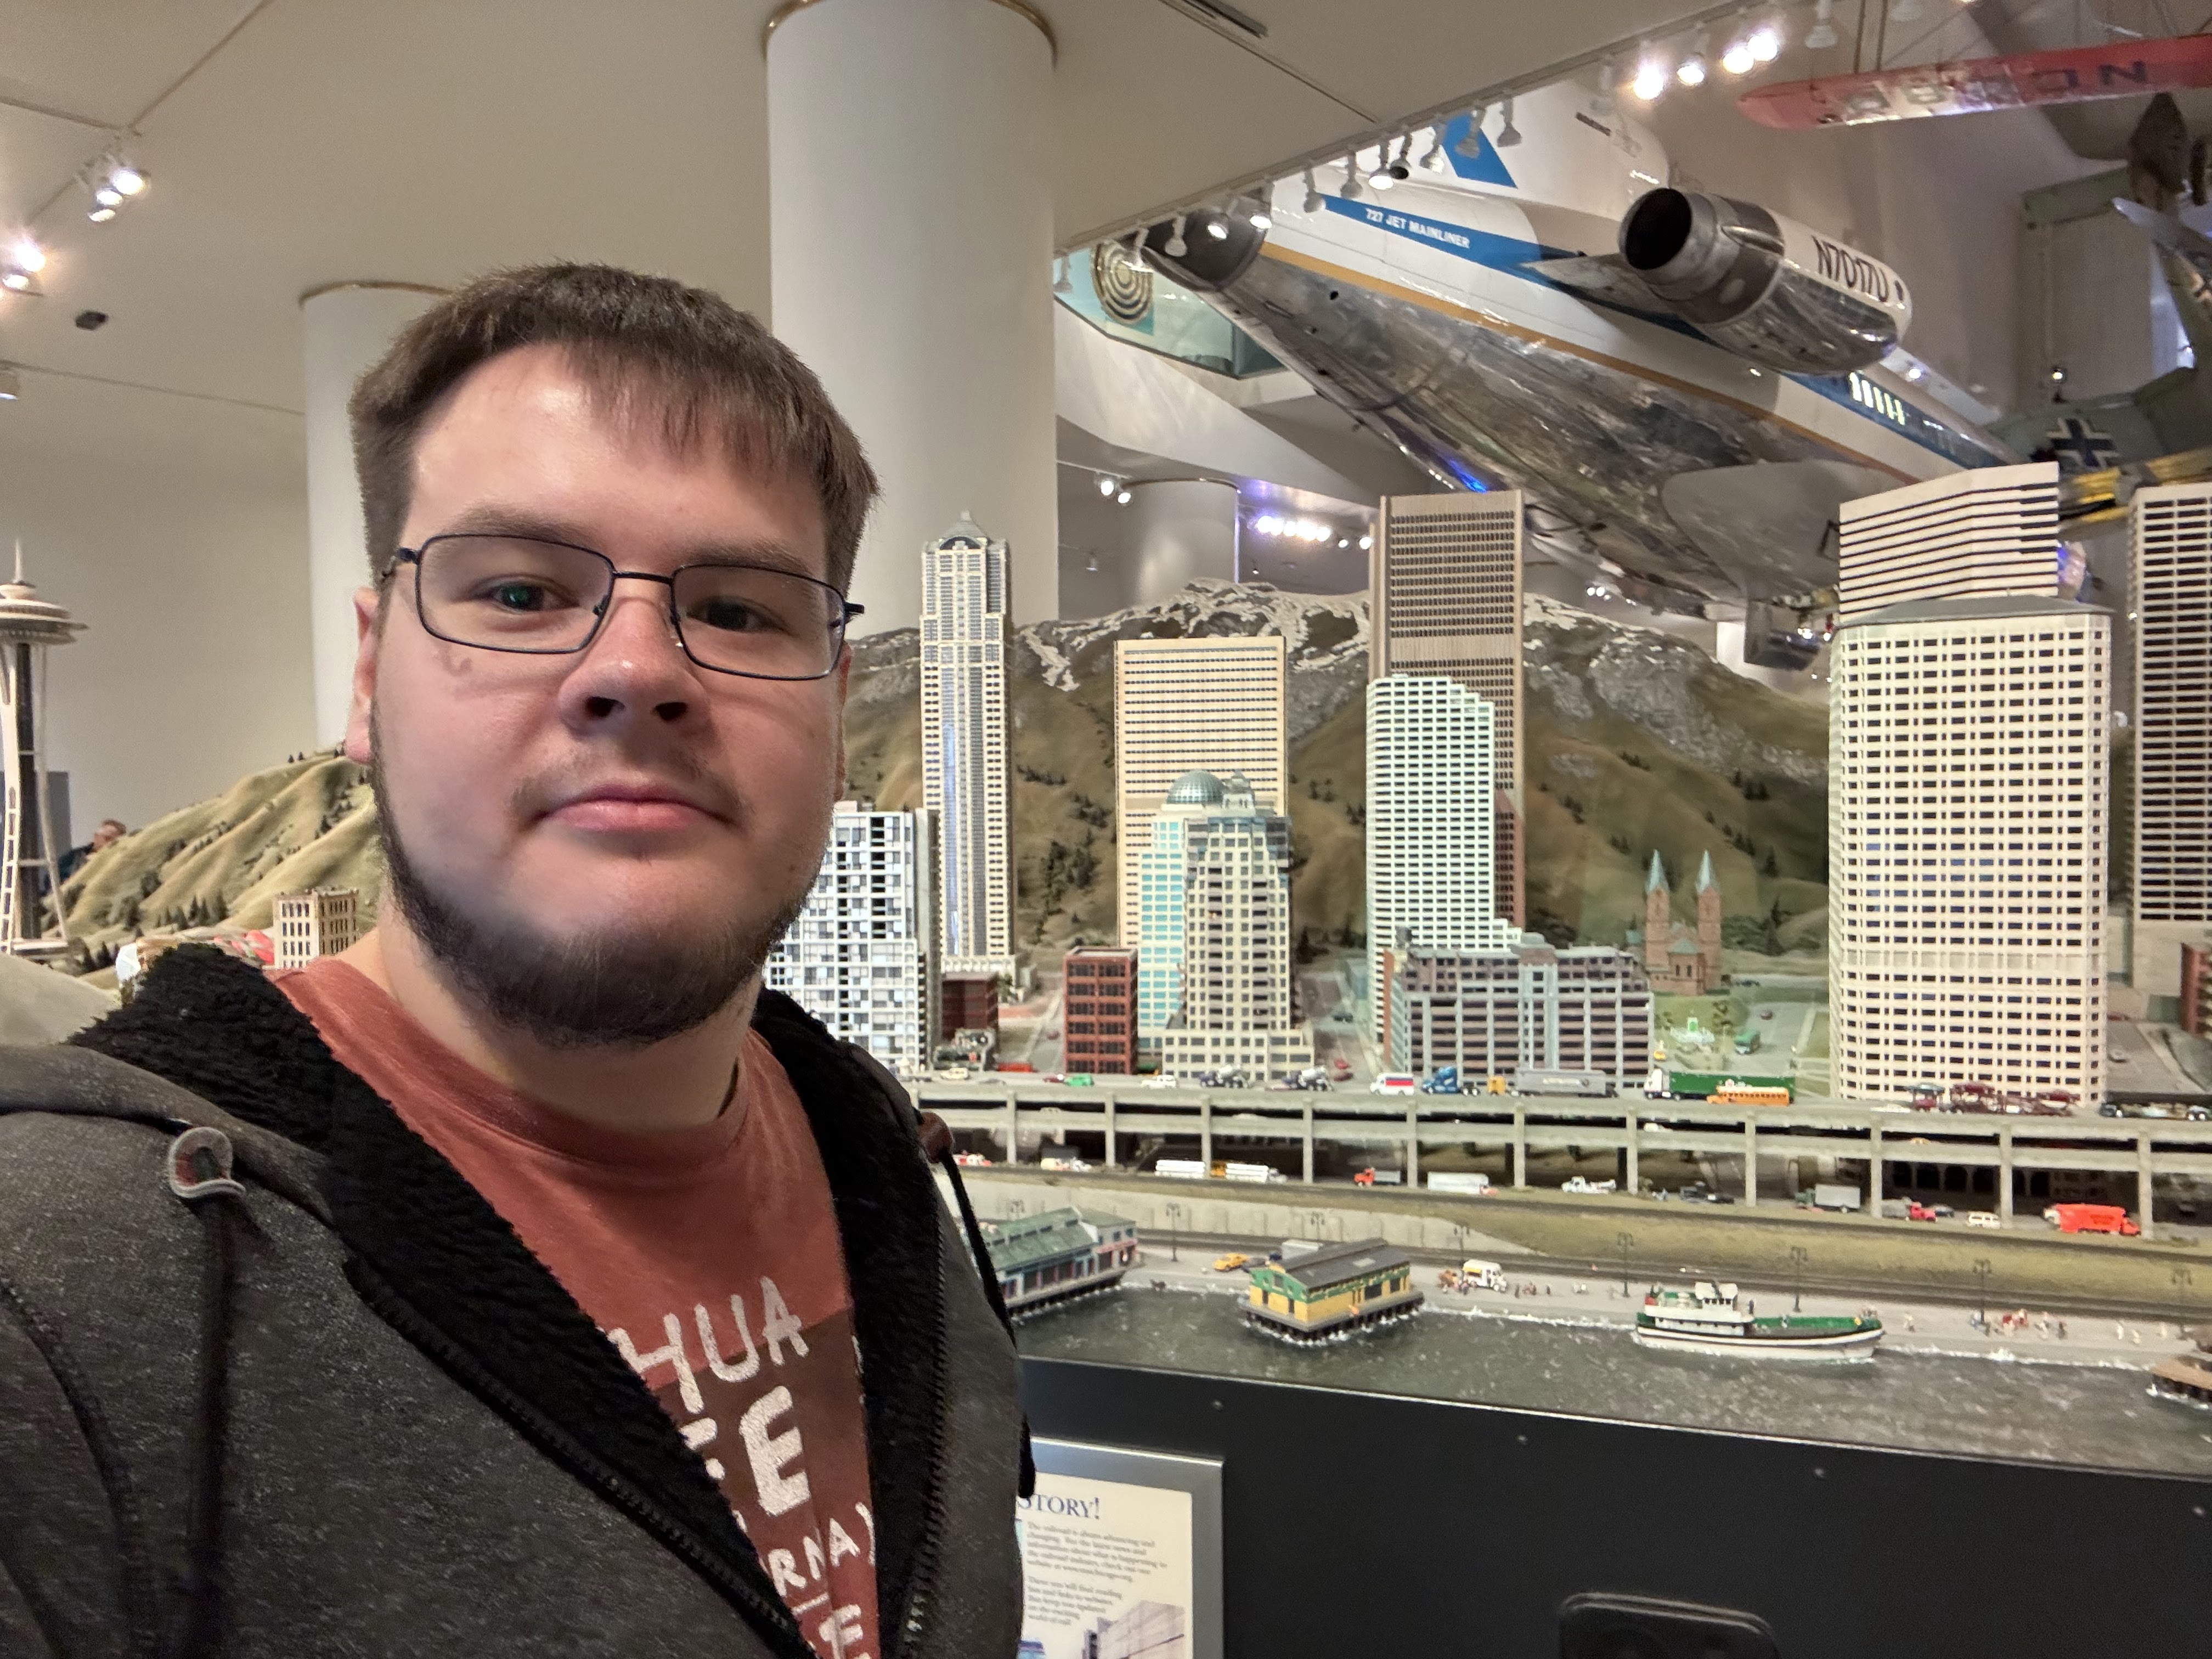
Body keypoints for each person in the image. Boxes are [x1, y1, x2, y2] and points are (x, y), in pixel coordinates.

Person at [0, 266, 1024, 1658]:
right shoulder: (61, 1298)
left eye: (738, 611)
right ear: (368, 679)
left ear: (836, 711)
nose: (636, 668)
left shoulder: (885, 1166)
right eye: (524, 589)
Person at [54, 814, 125, 882]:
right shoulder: (75, 856)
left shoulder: (123, 860)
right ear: (96, 837)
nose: (110, 844)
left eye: (116, 842)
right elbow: (53, 879)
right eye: (107, 839)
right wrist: (85, 864)